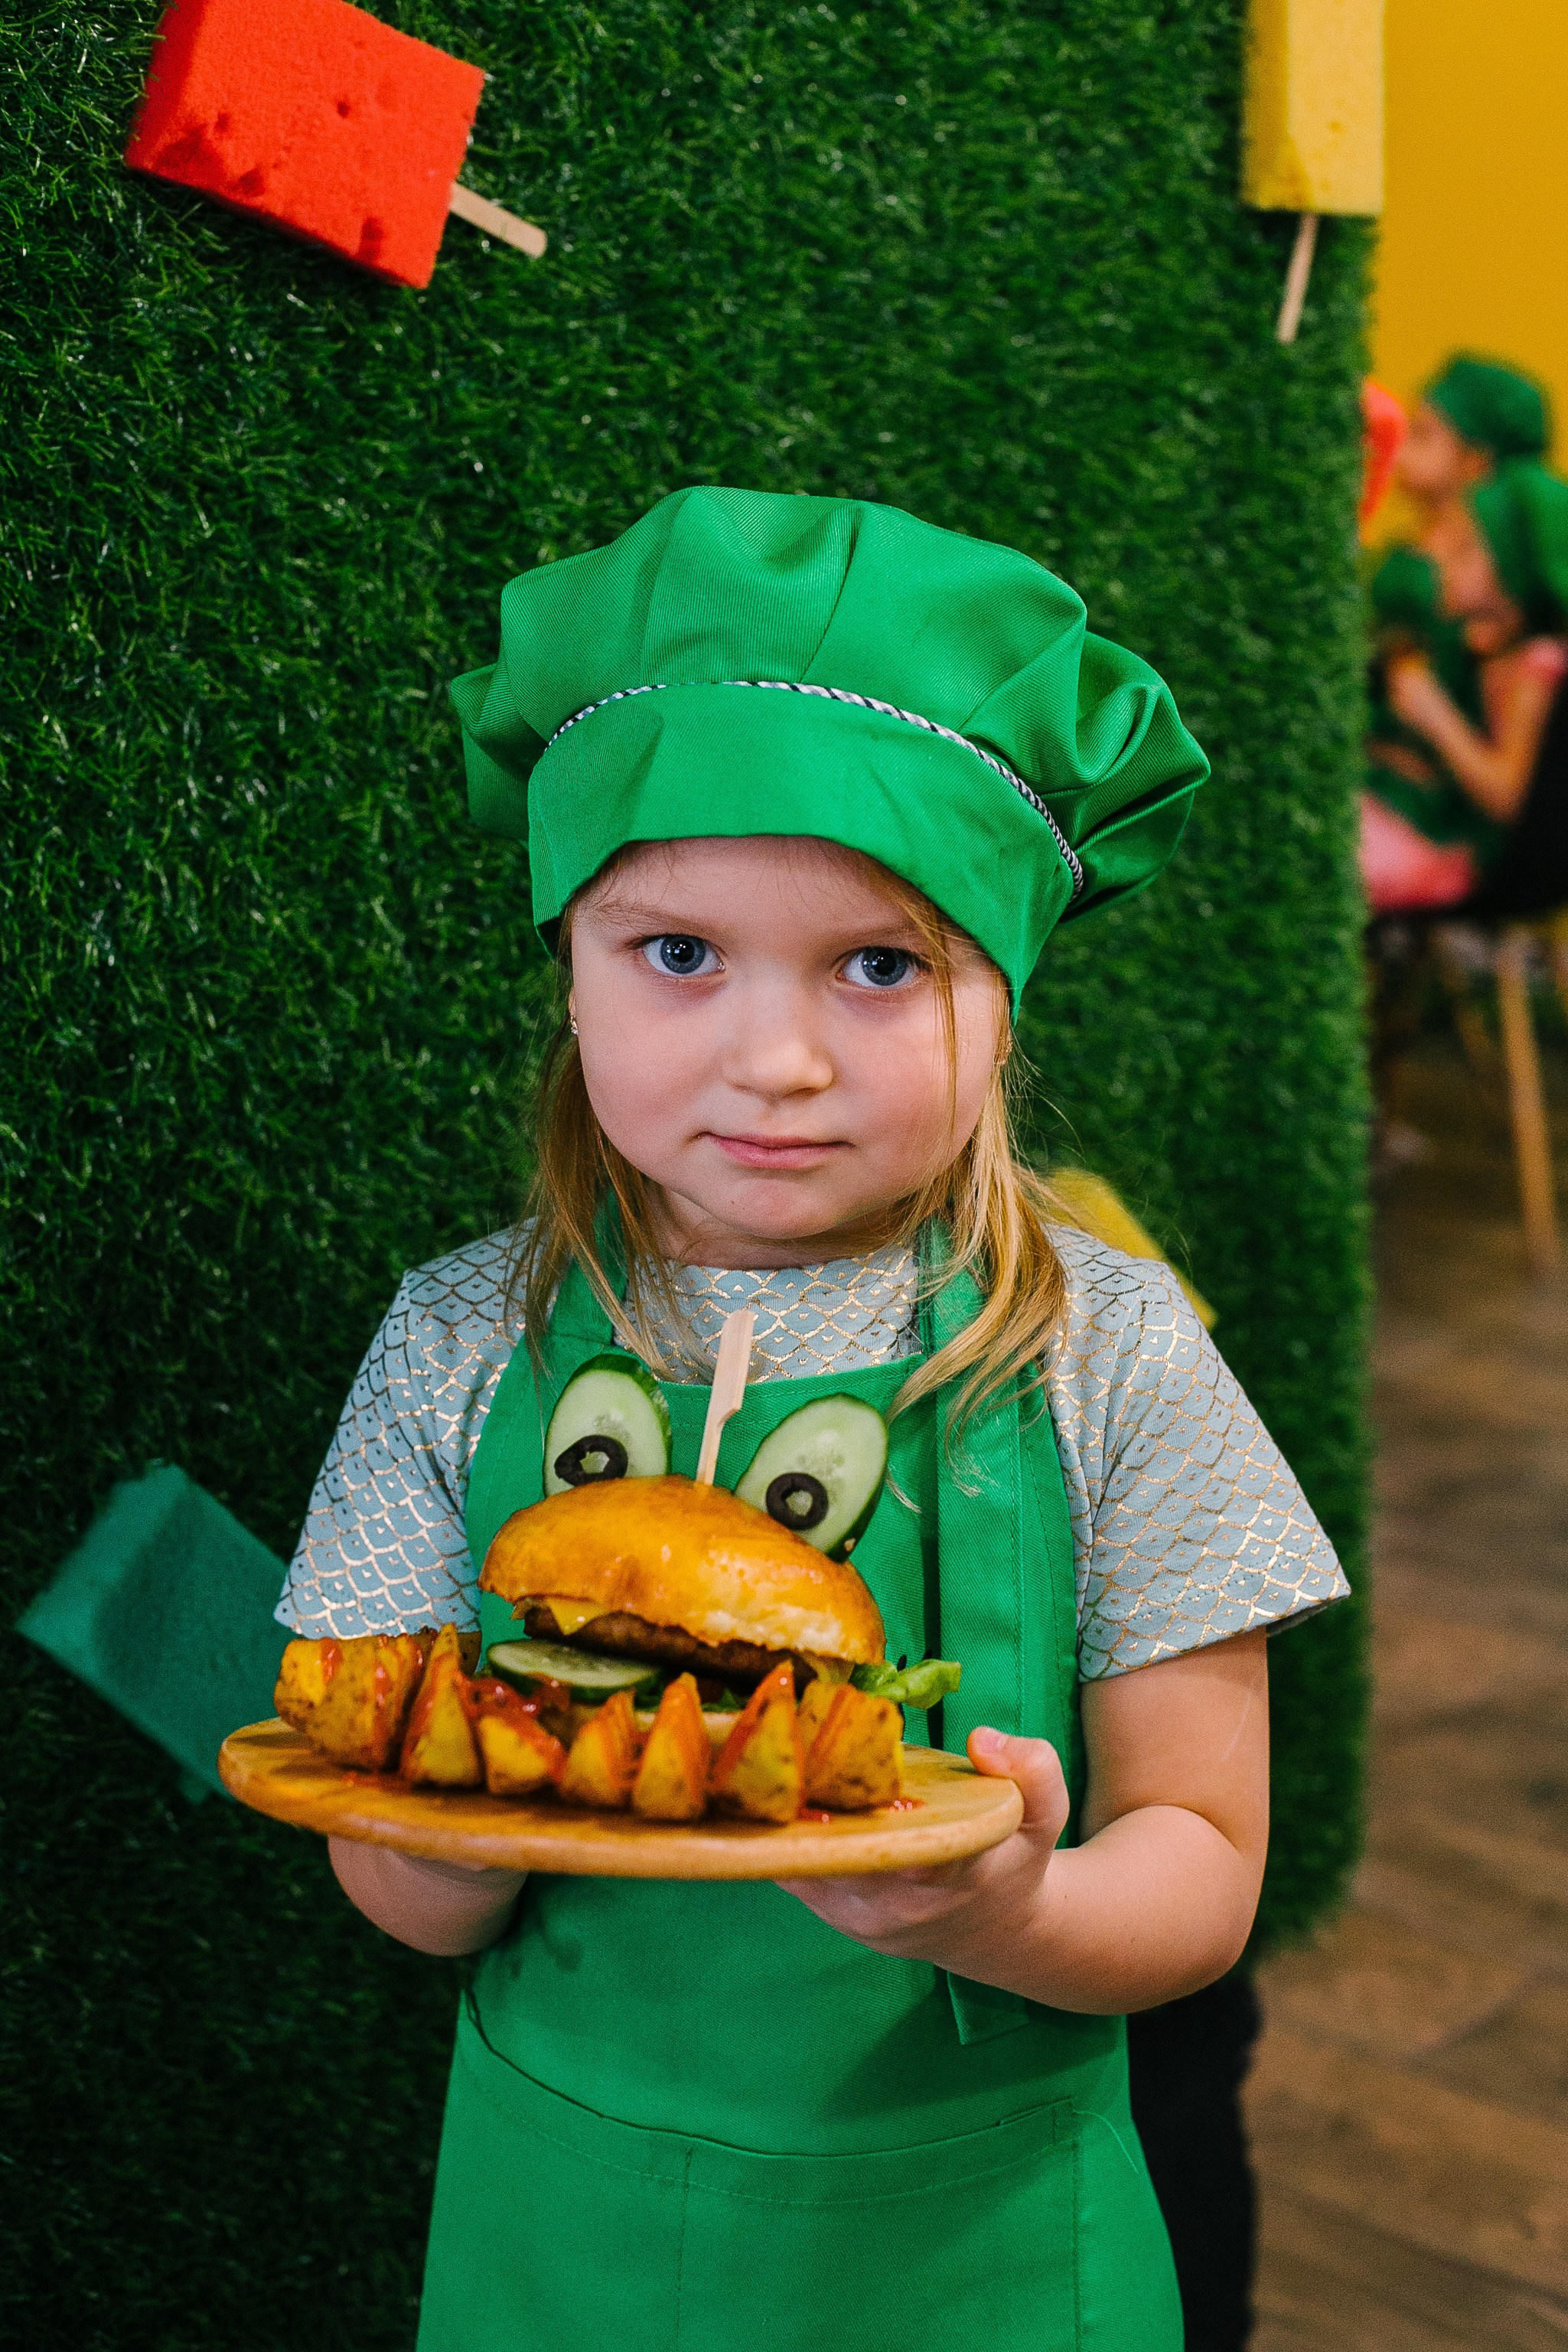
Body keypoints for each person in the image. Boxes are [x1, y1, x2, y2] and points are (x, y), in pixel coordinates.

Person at [279, 488, 1349, 2351]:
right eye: (677, 954)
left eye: (879, 966)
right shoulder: (452, 1341)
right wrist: (450, 1825)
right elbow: (390, 1882)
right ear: (567, 959)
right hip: (566, 2232)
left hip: (977, 2253)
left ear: (1002, 1000)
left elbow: (1199, 1854)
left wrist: (1002, 1916)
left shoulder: (1108, 1353)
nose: (773, 1062)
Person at [1364, 462, 1568, 915]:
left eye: (1464, 550)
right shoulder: (1481, 645)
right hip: (1425, 822)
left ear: (1511, 568)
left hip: (1456, 855)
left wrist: (1434, 714)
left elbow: (1506, 794)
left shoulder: (1535, 662)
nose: (1441, 563)